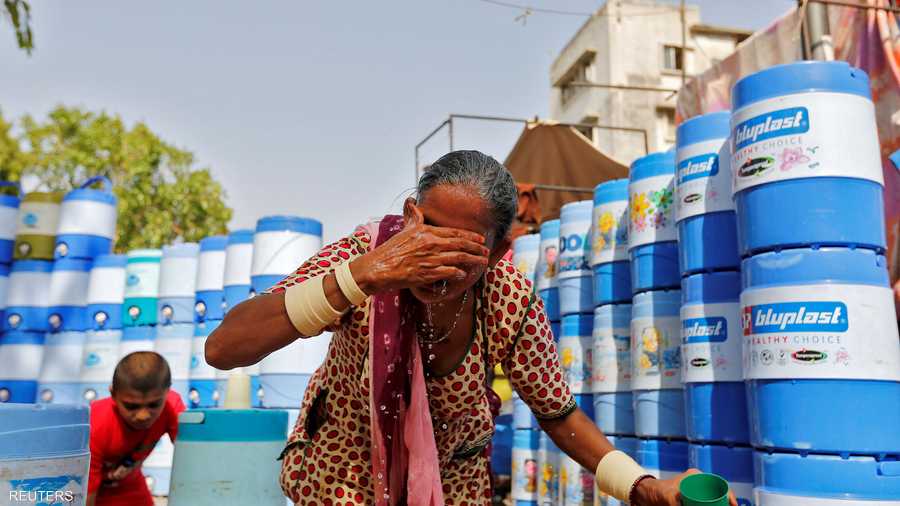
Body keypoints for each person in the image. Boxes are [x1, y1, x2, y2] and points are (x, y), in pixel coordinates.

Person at [207, 150, 736, 506]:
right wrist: (365, 276)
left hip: (451, 489)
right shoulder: (361, 260)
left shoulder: (508, 299)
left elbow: (557, 413)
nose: (436, 263)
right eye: (429, 234)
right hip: (340, 482)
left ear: (499, 250)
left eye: (461, 250)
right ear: (411, 215)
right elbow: (225, 348)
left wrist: (643, 489)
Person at [86, 351, 186, 506]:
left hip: (131, 486)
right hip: (92, 492)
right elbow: (83, 492)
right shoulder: (94, 425)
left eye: (153, 405)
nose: (143, 416)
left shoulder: (172, 408)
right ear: (113, 394)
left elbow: (195, 457)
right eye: (132, 406)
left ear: (167, 392)